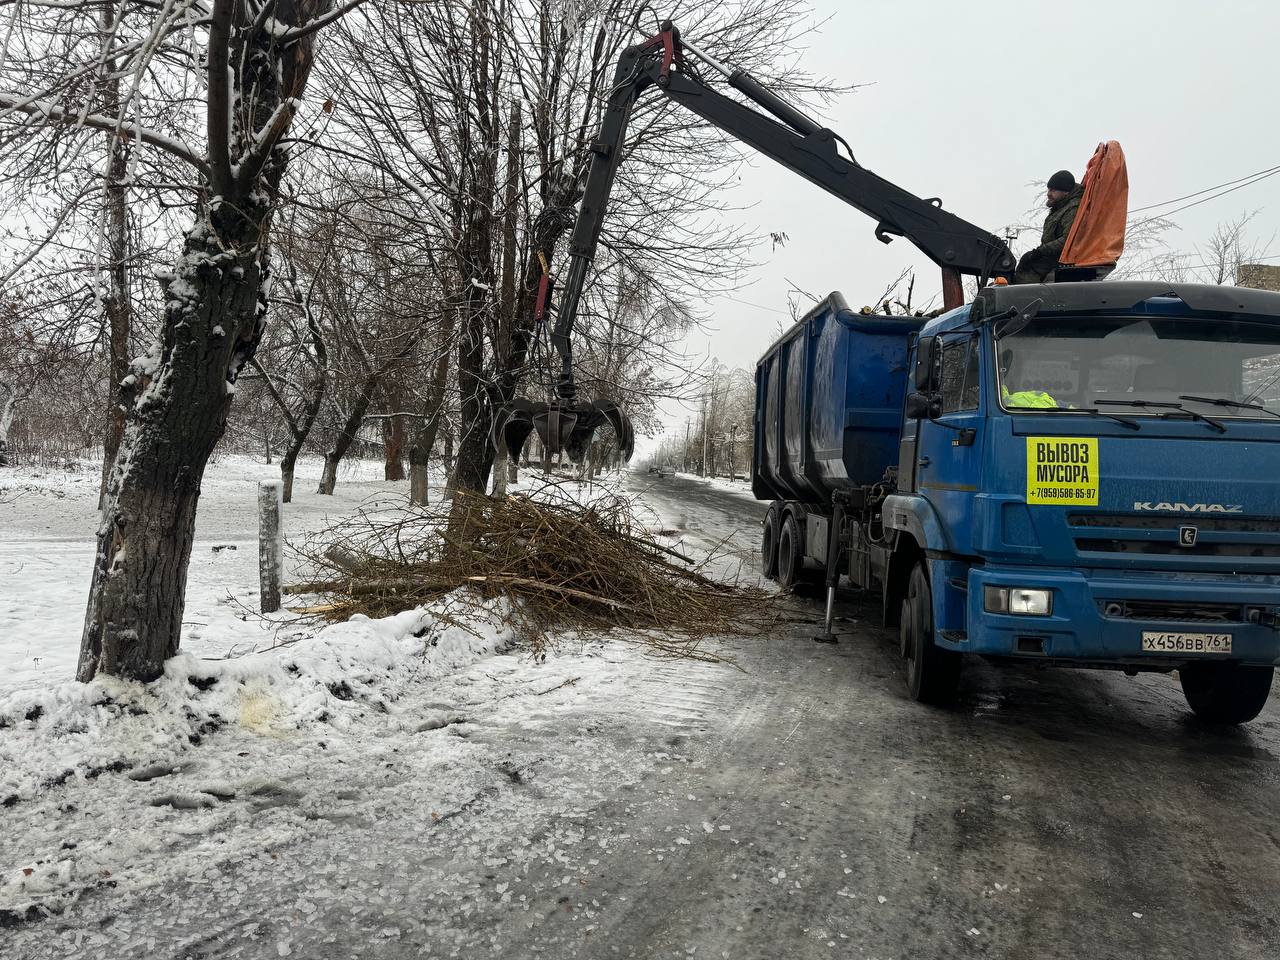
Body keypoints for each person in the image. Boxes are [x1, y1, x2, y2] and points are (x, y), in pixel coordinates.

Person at [1015, 170, 1085, 284]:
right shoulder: (1061, 206)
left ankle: (1030, 298)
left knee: (1028, 268)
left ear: (1066, 192)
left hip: (1061, 258)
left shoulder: (1072, 209)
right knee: (1026, 260)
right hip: (1053, 255)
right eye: (1048, 189)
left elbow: (1068, 240)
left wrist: (1041, 251)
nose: (1048, 193)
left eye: (1053, 190)